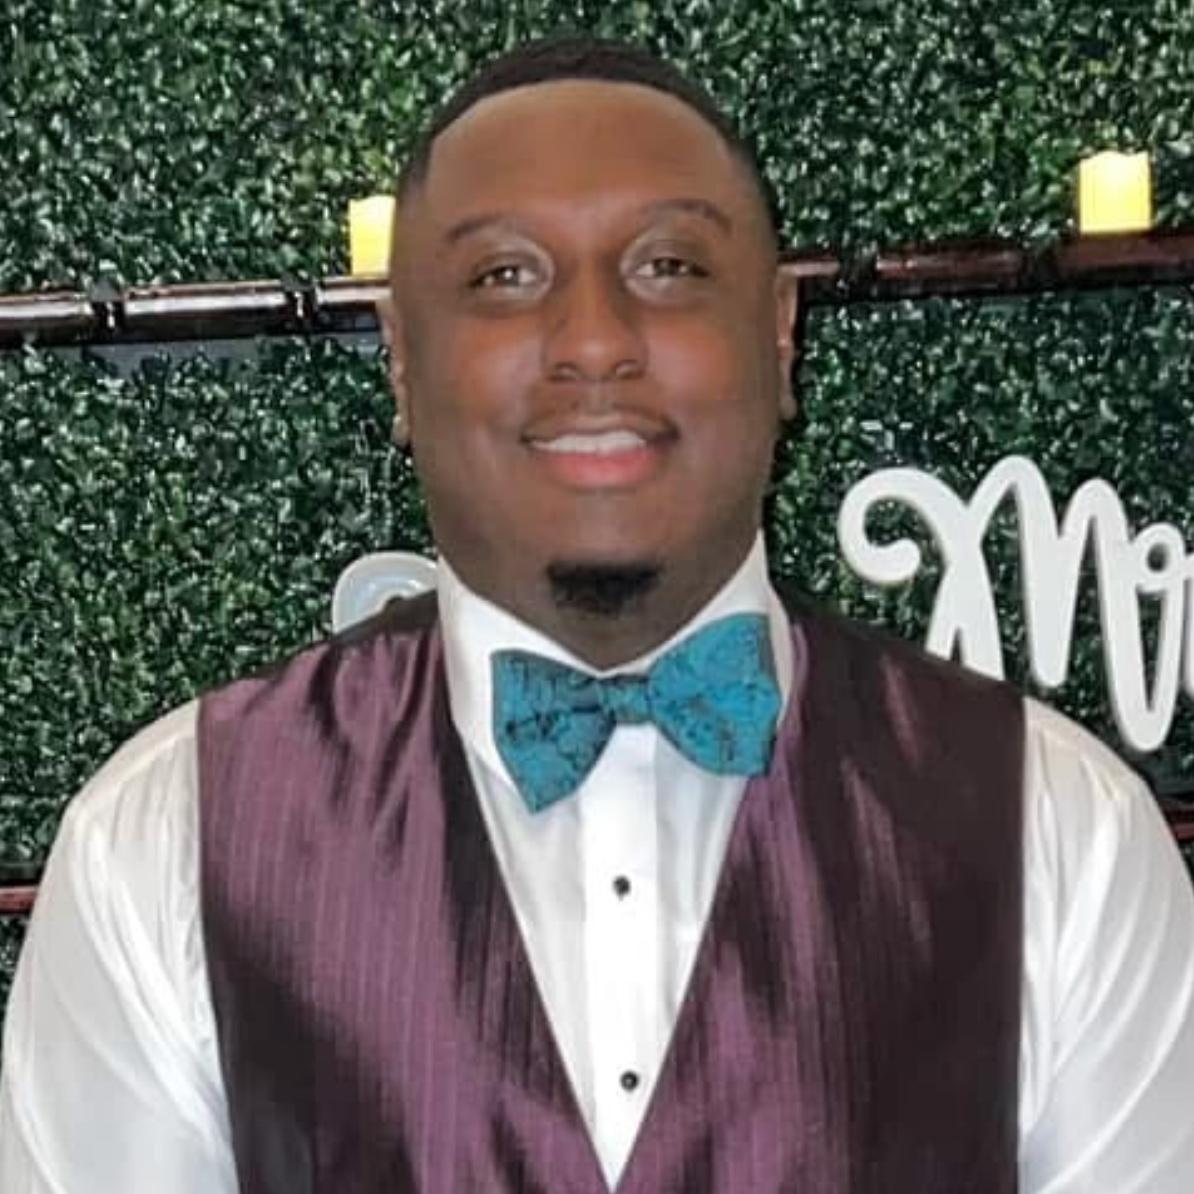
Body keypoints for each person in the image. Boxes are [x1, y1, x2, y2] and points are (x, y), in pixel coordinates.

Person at [2, 36, 1193, 1193]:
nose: (593, 343)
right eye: (504, 277)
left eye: (668, 267)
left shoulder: (1064, 835)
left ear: (781, 333)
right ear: (402, 361)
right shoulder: (162, 845)